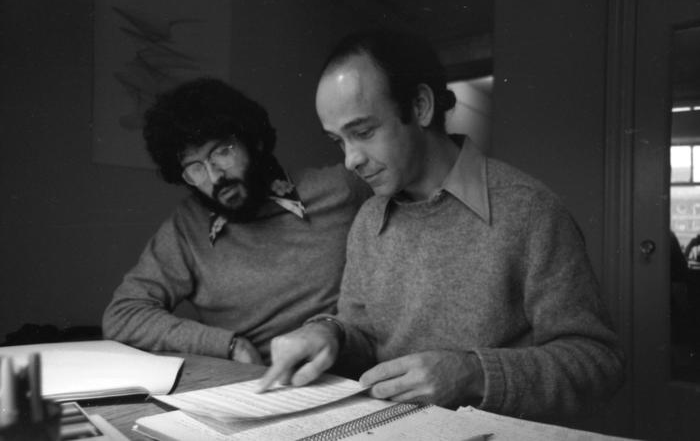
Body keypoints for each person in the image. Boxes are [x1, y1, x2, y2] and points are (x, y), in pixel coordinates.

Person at [259, 29, 625, 421]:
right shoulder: (368, 220)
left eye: (363, 132)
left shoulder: (531, 210)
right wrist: (329, 332)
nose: (350, 160)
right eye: (338, 141)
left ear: (420, 106)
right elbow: (362, 333)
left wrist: (472, 373)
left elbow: (599, 363)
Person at [102, 78, 371, 364]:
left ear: (253, 141)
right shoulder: (188, 226)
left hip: (343, 379)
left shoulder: (343, 189)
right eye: (195, 168)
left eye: (222, 152)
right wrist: (227, 345)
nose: (215, 177)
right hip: (248, 387)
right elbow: (122, 315)